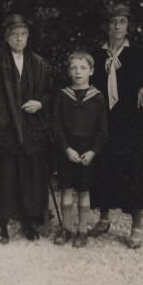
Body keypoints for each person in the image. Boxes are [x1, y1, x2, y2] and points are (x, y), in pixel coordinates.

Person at [0, 14, 51, 244]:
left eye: (23, 33)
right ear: (7, 37)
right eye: (14, 34)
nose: (19, 38)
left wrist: (40, 103)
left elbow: (48, 92)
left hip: (30, 130)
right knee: (4, 175)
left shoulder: (38, 62)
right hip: (2, 130)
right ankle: (2, 223)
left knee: (28, 174)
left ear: (28, 36)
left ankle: (27, 219)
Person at [90, 3, 143, 248]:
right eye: (113, 22)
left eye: (122, 21)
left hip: (131, 120)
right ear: (106, 26)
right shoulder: (97, 56)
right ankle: (103, 218)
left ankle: (137, 227)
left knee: (135, 170)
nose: (117, 26)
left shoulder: (139, 53)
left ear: (128, 26)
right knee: (103, 166)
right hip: (105, 120)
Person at [52, 50, 108, 248]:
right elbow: (56, 126)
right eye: (74, 68)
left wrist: (93, 151)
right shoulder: (62, 97)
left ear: (91, 71)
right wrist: (66, 149)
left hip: (87, 153)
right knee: (66, 189)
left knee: (84, 191)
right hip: (67, 150)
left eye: (83, 68)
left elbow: (103, 130)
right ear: (68, 72)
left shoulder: (98, 98)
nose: (78, 72)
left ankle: (82, 231)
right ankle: (65, 228)